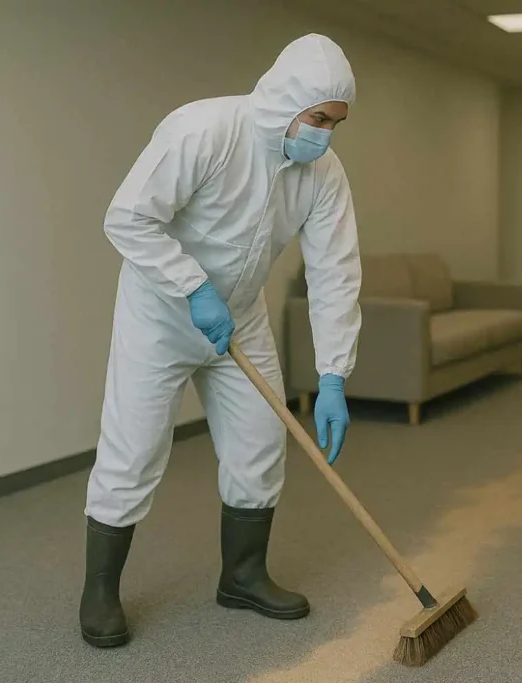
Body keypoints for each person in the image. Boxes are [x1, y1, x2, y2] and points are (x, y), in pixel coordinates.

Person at [78, 34, 363, 648]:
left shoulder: (321, 173)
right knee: (133, 453)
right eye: (318, 118)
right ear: (288, 98)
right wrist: (191, 286)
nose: (325, 135)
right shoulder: (202, 130)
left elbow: (335, 270)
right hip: (160, 313)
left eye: (336, 124)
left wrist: (334, 373)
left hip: (242, 315)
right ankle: (99, 591)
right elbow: (127, 216)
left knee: (261, 443)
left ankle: (243, 576)